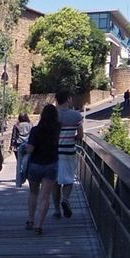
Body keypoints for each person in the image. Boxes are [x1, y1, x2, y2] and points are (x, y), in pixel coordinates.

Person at [24, 104, 60, 234]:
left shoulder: (35, 130)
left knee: (33, 193)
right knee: (45, 196)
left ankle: (30, 219)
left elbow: (30, 149)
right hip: (51, 165)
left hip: (35, 165)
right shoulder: (57, 129)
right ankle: (39, 225)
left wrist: (26, 148)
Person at [52, 89, 84, 219]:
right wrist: (72, 138)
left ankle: (56, 210)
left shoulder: (51, 115)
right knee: (69, 179)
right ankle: (65, 199)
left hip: (53, 152)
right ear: (68, 99)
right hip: (69, 151)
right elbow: (80, 135)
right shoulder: (76, 116)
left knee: (55, 182)